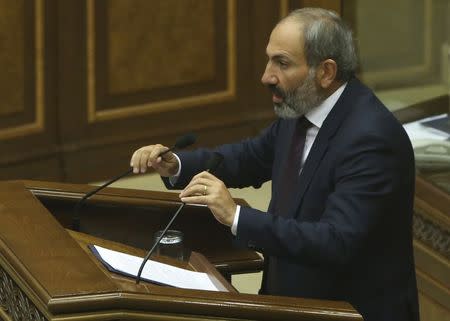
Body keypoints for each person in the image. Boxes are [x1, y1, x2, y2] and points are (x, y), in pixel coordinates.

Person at [130, 8, 420, 321]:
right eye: (270, 60)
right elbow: (249, 158)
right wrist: (176, 164)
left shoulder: (372, 140)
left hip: (347, 310)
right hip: (291, 300)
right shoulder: (303, 108)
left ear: (325, 72)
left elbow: (336, 241)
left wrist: (237, 216)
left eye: (282, 63)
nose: (266, 76)